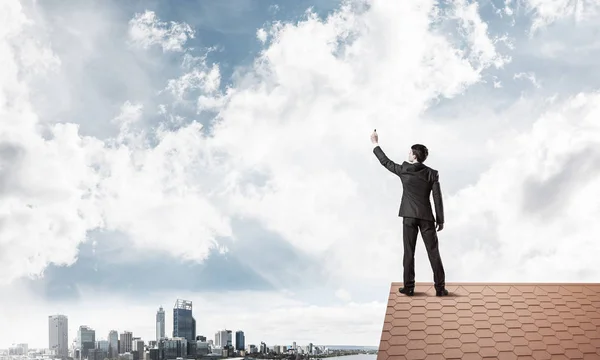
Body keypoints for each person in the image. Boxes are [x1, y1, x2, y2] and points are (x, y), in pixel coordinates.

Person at [371, 129, 448, 297]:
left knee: (409, 252)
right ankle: (440, 289)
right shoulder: (431, 173)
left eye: (410, 152)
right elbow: (437, 198)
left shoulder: (404, 170)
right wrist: (440, 219)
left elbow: (385, 162)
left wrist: (375, 143)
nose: (408, 154)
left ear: (414, 156)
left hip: (409, 217)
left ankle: (409, 287)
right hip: (427, 218)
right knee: (434, 252)